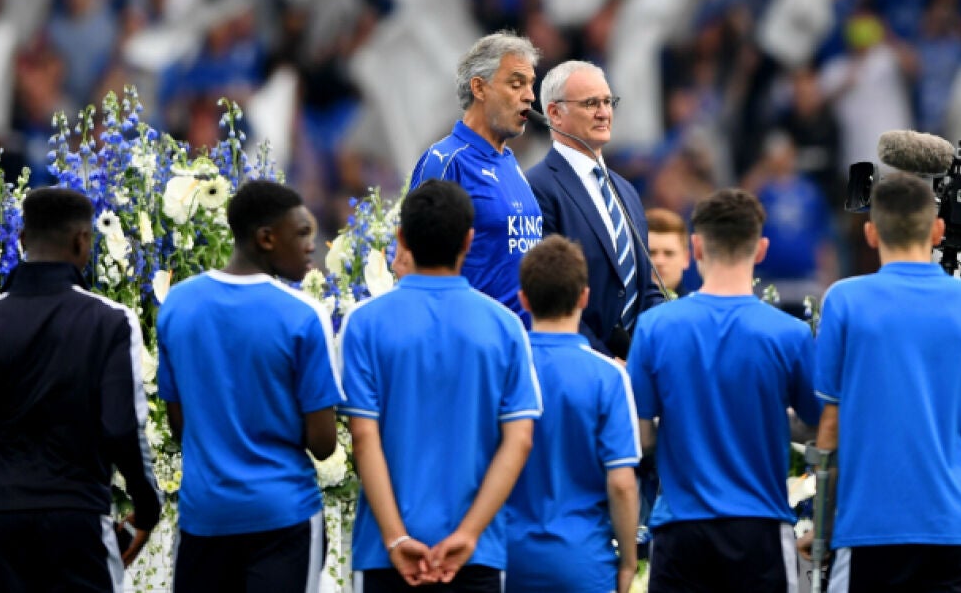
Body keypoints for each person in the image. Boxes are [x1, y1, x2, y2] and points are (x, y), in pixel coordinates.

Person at [0, 187, 162, 592]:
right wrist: (147, 509)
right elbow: (122, 428)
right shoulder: (110, 322)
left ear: (22, 240)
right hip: (79, 523)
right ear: (83, 240)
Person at [340, 179, 540, 592]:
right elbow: (519, 441)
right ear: (469, 240)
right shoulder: (504, 326)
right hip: (475, 554)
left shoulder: (365, 323)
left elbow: (364, 437)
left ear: (401, 239)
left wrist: (396, 537)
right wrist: (468, 534)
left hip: (385, 555)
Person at [814, 173, 961, 591]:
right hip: (953, 529)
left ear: (870, 232)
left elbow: (829, 431)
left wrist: (823, 532)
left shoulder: (844, 300)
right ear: (938, 230)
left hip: (870, 528)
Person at [628, 189, 822, 593]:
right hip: (760, 531)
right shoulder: (790, 334)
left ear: (696, 246)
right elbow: (823, 426)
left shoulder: (656, 327)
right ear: (762, 248)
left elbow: (640, 437)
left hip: (680, 530)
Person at [155, 180, 341, 592]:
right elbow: (324, 442)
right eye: (302, 233)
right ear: (266, 238)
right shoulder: (303, 315)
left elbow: (179, 424)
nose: (312, 245)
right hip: (283, 517)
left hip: (204, 516)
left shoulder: (178, 304)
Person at [502, 236, 641, 593]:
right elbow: (622, 483)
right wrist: (628, 562)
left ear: (523, 300)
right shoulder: (609, 377)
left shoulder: (500, 369)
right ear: (584, 297)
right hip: (584, 564)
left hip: (506, 559)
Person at [527, 59, 666, 357]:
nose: (604, 113)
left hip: (635, 369)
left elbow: (645, 288)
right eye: (591, 103)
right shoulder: (537, 189)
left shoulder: (626, 190)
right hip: (578, 365)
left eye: (607, 101)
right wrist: (604, 361)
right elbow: (551, 296)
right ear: (555, 113)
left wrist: (660, 347)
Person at [408, 31, 548, 319]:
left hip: (522, 346)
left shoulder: (509, 162)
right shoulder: (446, 161)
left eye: (531, 85)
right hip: (474, 345)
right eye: (516, 84)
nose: (530, 96)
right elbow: (410, 262)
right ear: (480, 88)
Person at [645, 208, 693, 296]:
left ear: (686, 259)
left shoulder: (697, 309)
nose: (659, 261)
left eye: (669, 253)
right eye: (650, 253)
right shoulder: (620, 308)